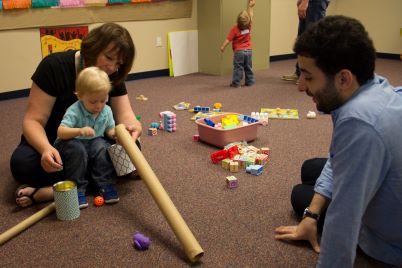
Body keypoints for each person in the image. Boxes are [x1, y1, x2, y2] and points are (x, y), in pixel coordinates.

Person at [274, 15, 402, 267]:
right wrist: (311, 215)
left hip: (392, 244)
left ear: (343, 78)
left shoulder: (359, 122)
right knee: (311, 168)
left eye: (308, 77)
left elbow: (344, 218)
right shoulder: (373, 86)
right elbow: (338, 157)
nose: (300, 86)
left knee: (300, 194)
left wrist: (312, 217)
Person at [12, 22, 142, 208]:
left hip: (96, 141)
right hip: (59, 143)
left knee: (132, 147)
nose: (112, 68)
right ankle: (96, 181)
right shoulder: (53, 66)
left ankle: (57, 189)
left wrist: (133, 129)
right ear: (93, 47)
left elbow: (126, 115)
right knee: (22, 164)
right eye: (108, 57)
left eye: (118, 63)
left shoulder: (112, 74)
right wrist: (46, 149)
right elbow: (32, 121)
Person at [54, 67, 118, 209]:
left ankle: (105, 184)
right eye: (93, 102)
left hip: (94, 143)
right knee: (78, 150)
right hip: (71, 143)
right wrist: (79, 131)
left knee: (102, 146)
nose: (99, 106)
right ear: (80, 96)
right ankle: (77, 189)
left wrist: (116, 134)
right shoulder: (74, 110)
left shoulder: (106, 110)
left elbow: (109, 130)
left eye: (103, 100)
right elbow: (61, 132)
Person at [281, 0, 330, 91]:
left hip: (316, 2)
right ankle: (300, 73)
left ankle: (310, 76)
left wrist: (304, 2)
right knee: (303, 39)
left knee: (312, 40)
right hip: (312, 3)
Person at [220, 0, 255, 88]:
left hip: (239, 52)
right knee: (248, 67)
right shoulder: (249, 26)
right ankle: (250, 82)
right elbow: (251, 15)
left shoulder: (235, 29)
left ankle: (236, 83)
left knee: (238, 68)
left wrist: (223, 46)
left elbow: (228, 40)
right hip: (249, 51)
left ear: (238, 21)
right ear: (248, 21)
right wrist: (250, 6)